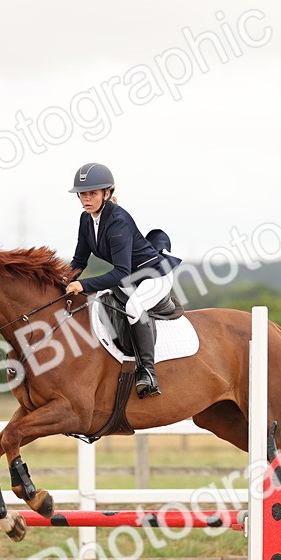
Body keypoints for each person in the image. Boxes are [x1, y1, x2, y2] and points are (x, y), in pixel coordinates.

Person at [63, 163, 181, 399]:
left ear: (107, 193)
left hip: (152, 276)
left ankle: (147, 373)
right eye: (82, 194)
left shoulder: (118, 221)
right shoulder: (86, 220)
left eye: (92, 193)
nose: (86, 199)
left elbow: (120, 273)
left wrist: (82, 285)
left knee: (134, 307)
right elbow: (79, 260)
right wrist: (63, 280)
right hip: (130, 277)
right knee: (101, 301)